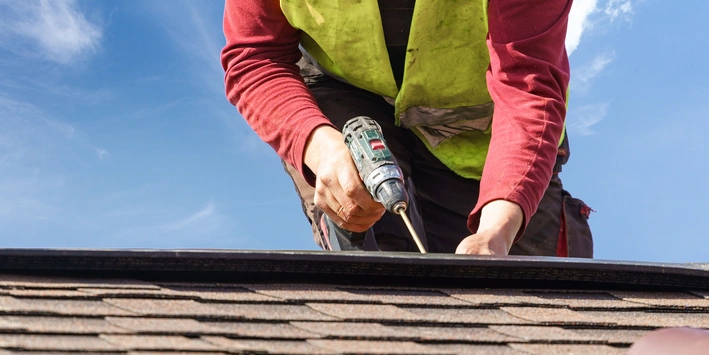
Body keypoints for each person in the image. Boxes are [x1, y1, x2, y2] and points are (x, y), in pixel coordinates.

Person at [221, 0, 593, 256]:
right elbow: (255, 56)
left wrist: (497, 230)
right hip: (345, 96)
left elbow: (526, 83)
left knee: (522, 288)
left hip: (487, 143)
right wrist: (322, 149)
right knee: (371, 246)